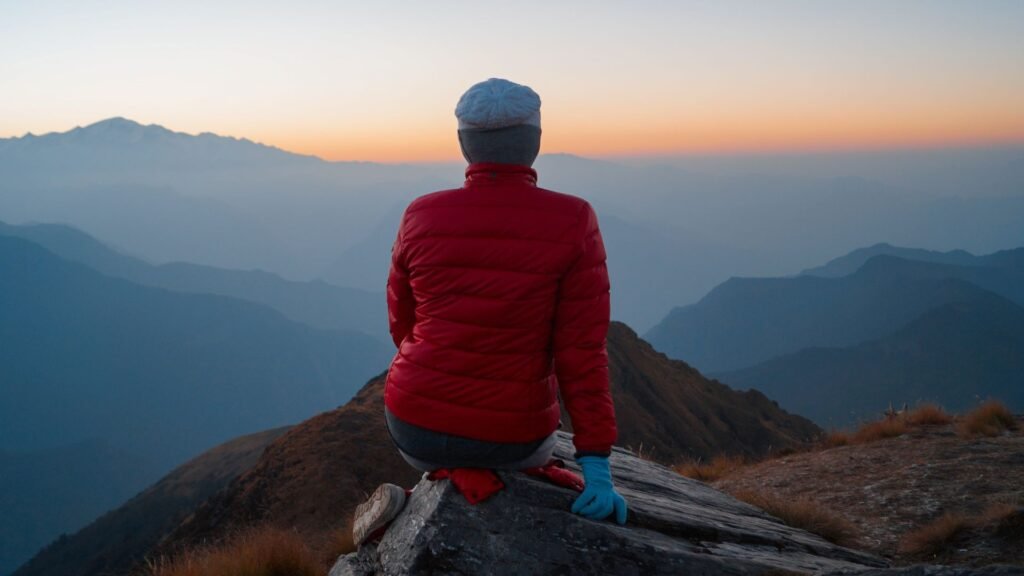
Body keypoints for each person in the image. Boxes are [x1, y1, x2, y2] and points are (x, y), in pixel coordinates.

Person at [352, 78, 627, 546]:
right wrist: (596, 464)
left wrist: (445, 376)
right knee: (524, 447)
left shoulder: (421, 213)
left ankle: (417, 497)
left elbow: (402, 322)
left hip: (411, 423)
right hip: (513, 438)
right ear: (535, 141)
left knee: (441, 439)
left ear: (464, 145)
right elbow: (581, 353)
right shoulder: (574, 219)